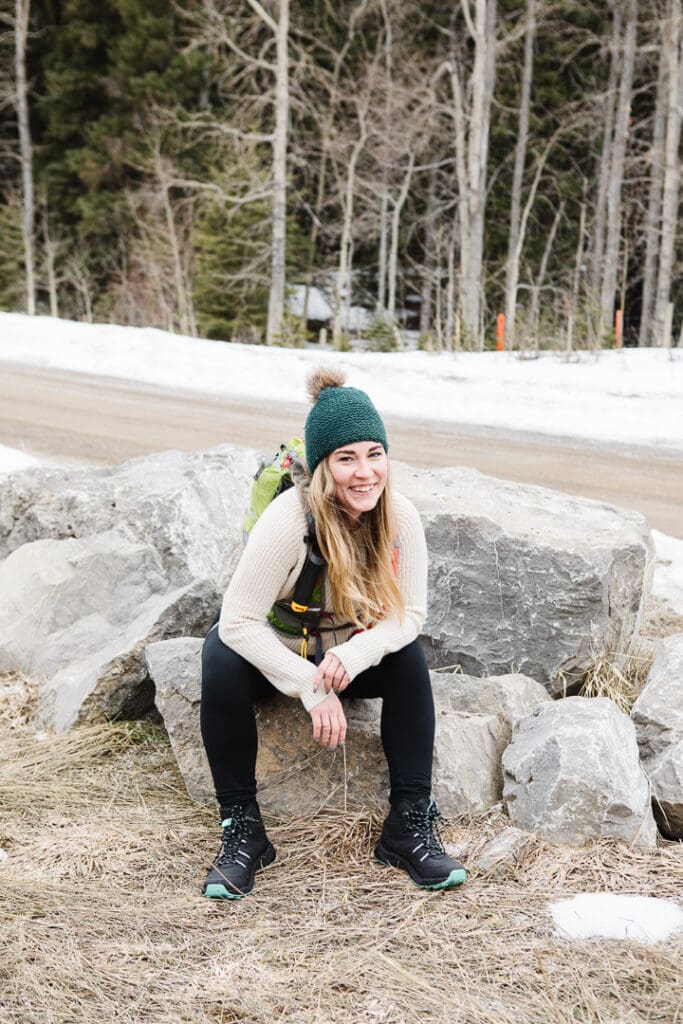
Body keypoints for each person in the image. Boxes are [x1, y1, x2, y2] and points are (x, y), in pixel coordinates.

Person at [200, 367, 467, 898]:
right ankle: (243, 831)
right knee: (219, 658)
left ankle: (408, 824)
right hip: (276, 652)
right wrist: (310, 685)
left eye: (374, 453)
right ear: (323, 467)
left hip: (345, 651)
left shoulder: (400, 517)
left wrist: (362, 652)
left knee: (409, 658)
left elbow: (410, 613)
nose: (364, 472)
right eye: (346, 458)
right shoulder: (289, 521)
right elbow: (237, 621)